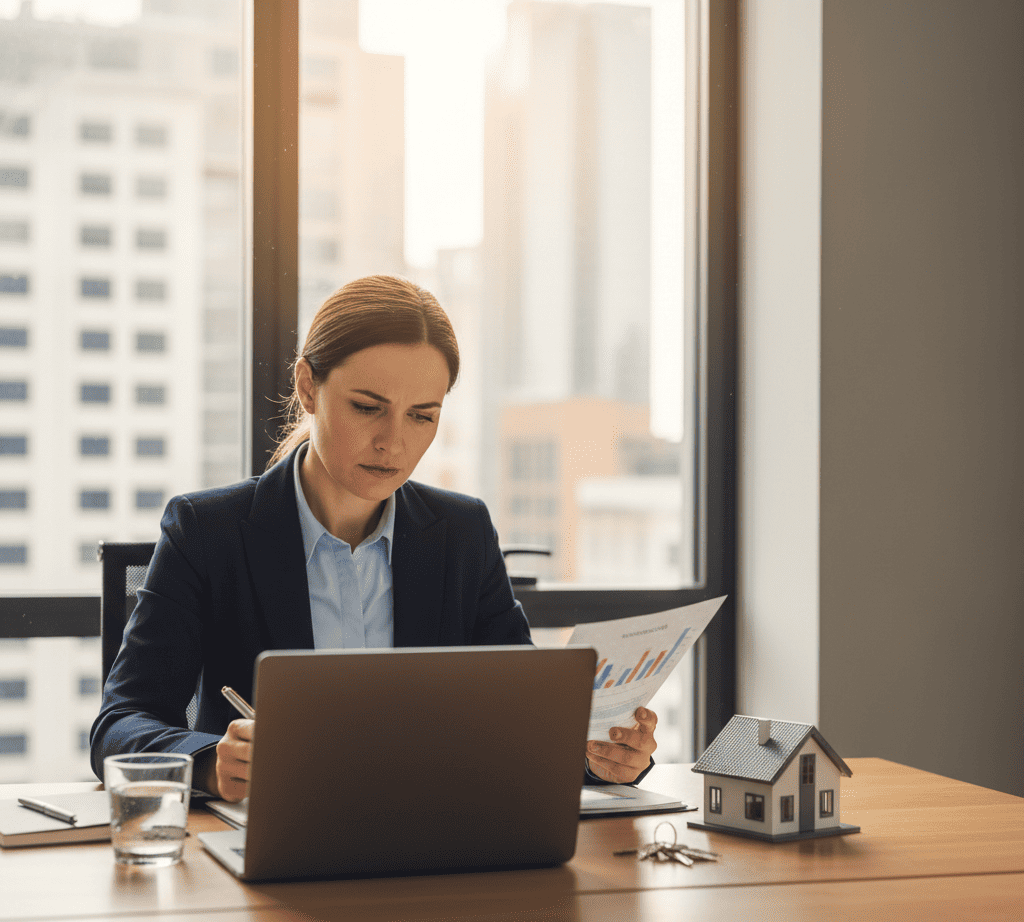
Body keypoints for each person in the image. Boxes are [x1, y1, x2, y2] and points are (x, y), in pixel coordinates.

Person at [90, 275, 657, 800]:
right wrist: (213, 763)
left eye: (422, 416)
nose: (394, 443)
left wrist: (598, 757)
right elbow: (120, 724)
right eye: (368, 408)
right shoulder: (208, 532)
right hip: (269, 848)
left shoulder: (460, 534)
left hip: (431, 836)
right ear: (308, 386)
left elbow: (523, 720)